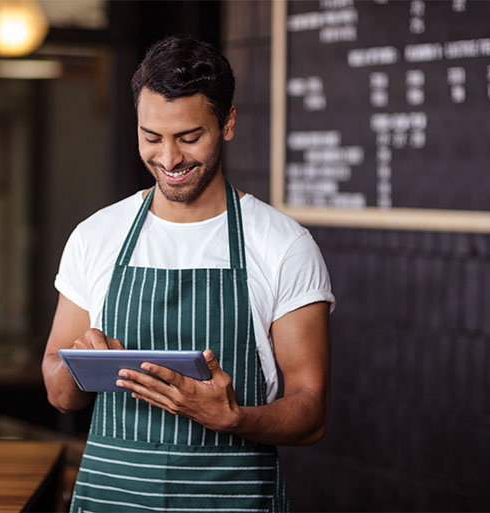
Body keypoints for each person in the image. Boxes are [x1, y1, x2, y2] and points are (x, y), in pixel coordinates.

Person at [42, 35, 335, 513]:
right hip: (112, 500)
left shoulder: (283, 245)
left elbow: (312, 412)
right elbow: (58, 392)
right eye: (151, 137)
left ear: (228, 124)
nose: (170, 159)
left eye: (189, 137)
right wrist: (82, 367)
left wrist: (234, 417)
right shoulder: (96, 236)